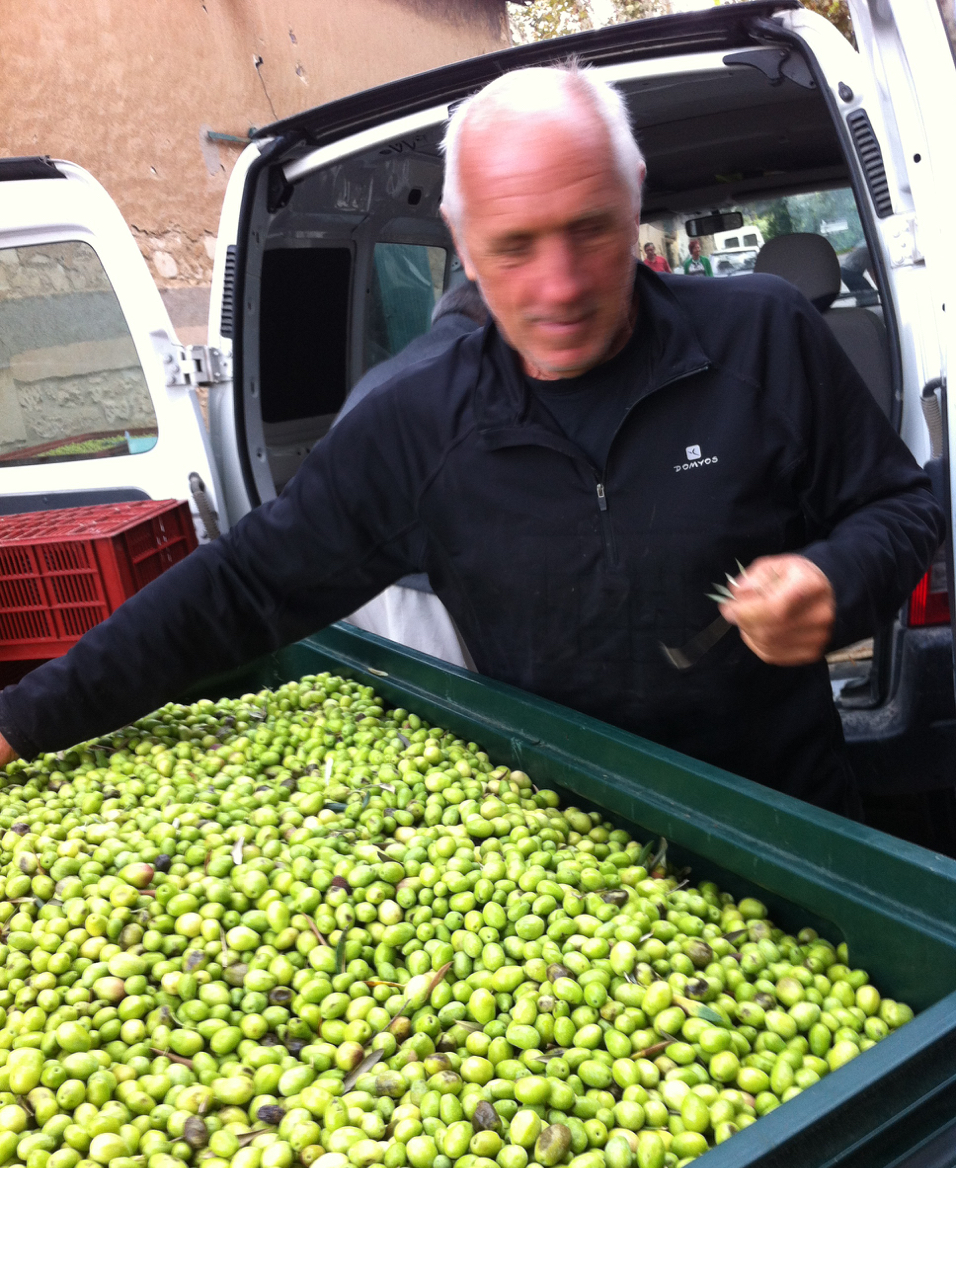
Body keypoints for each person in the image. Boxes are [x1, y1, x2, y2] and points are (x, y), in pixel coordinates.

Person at [0, 64, 942, 817]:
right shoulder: (415, 419)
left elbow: (903, 506)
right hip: (571, 840)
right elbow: (241, 587)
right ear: (458, 234)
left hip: (792, 815)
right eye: (514, 247)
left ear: (636, 192)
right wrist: (24, 720)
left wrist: (834, 582)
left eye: (591, 230)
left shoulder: (761, 335)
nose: (561, 285)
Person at [336, 280, 486, 667]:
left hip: (355, 582)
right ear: (489, 315)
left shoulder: (378, 377)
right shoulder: (486, 372)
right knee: (455, 710)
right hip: (425, 588)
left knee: (397, 700)